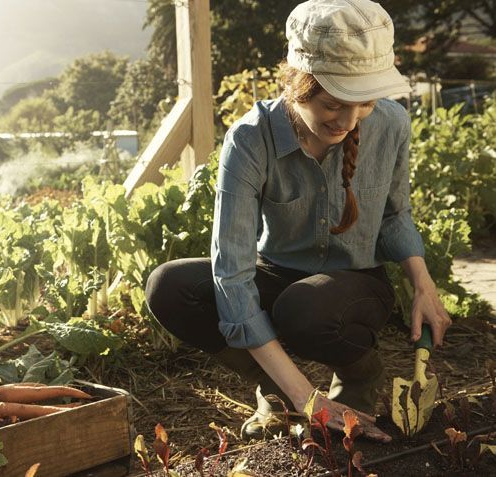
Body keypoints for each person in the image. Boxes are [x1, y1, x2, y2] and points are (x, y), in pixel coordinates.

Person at [145, 0, 452, 443]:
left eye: (363, 103)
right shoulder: (251, 139)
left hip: (354, 284)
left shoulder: (392, 124)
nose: (348, 122)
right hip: (278, 274)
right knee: (169, 287)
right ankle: (285, 397)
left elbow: (394, 214)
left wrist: (423, 286)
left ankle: (360, 376)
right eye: (331, 105)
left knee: (306, 310)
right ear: (297, 83)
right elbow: (231, 274)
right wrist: (307, 397)